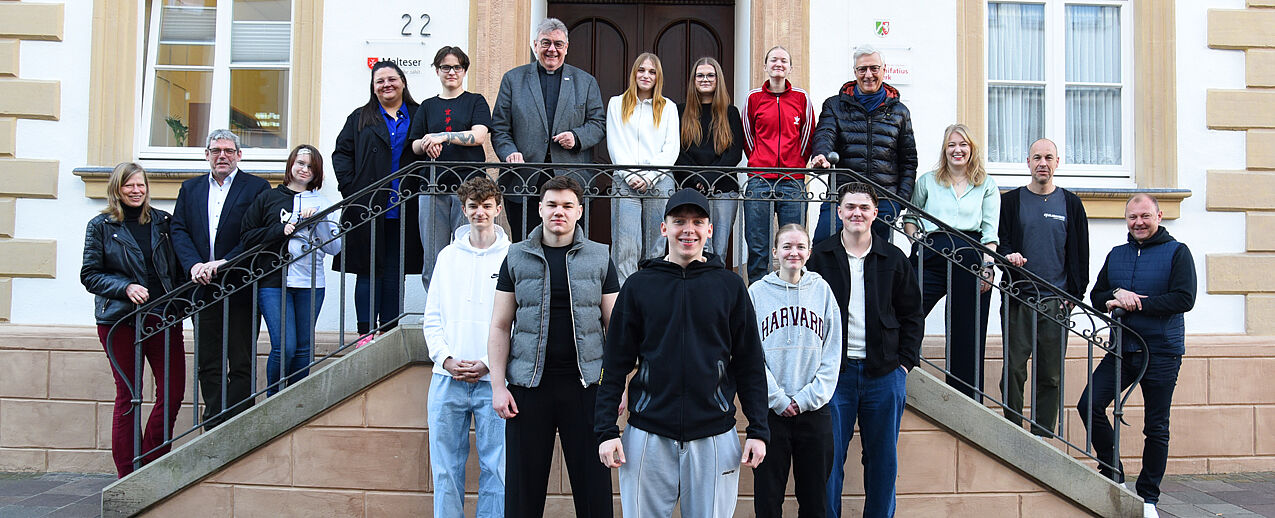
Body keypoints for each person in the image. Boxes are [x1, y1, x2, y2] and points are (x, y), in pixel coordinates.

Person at [596, 188, 769, 518]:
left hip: (714, 435)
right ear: (664, 228)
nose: (688, 230)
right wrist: (606, 431)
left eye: (697, 222)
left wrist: (758, 431)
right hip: (647, 433)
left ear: (710, 229)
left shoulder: (730, 287)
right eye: (679, 221)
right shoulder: (638, 285)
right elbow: (614, 362)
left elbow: (749, 364)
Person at [487, 175, 618, 518]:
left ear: (579, 211)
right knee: (522, 496)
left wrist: (620, 388)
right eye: (553, 205)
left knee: (594, 494)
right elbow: (500, 326)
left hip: (587, 389)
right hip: (528, 390)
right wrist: (498, 387)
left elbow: (616, 329)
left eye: (567, 205)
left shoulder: (600, 257)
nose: (559, 211)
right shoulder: (515, 257)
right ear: (540, 209)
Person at [807, 183, 924, 518]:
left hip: (884, 375)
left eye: (864, 207)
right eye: (850, 207)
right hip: (835, 376)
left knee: (883, 460)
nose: (856, 213)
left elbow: (912, 314)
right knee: (829, 459)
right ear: (840, 212)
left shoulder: (893, 258)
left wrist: (904, 365)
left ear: (875, 214)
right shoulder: (820, 257)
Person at [1079, 194, 1196, 518]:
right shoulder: (1117, 254)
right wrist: (1116, 294)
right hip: (1121, 349)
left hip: (1161, 350)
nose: (1139, 223)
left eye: (1144, 216)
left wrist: (1138, 302)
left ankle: (1148, 499)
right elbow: (1098, 294)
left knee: (1156, 426)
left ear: (1158, 215)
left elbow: (1184, 298)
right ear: (1126, 220)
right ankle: (1112, 473)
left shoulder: (1178, 252)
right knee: (1088, 404)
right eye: (1132, 217)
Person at [81, 163, 185, 477]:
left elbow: (178, 270)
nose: (136, 191)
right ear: (117, 189)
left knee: (173, 392)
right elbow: (90, 275)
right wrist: (124, 287)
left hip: (162, 318)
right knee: (129, 395)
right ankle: (127, 474)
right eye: (129, 186)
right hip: (119, 321)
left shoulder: (163, 222)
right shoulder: (100, 225)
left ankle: (151, 463)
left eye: (140, 185)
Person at [171, 129, 270, 429]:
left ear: (239, 155)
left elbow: (258, 234)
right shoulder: (190, 189)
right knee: (208, 361)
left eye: (228, 150)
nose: (222, 156)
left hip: (239, 284)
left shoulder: (256, 188)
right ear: (207, 155)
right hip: (202, 287)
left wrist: (226, 262)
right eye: (216, 151)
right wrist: (194, 265)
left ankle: (238, 424)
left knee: (241, 360)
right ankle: (213, 423)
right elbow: (179, 230)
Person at [423, 176, 510, 518]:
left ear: (498, 209)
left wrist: (489, 361)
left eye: (487, 206)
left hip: (494, 381)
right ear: (463, 210)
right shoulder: (447, 257)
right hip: (447, 379)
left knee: (497, 470)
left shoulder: (512, 257)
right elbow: (432, 317)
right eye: (473, 206)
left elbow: (516, 321)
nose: (480, 213)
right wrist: (445, 359)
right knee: (445, 469)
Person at [748, 223, 841, 518]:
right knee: (767, 500)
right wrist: (777, 398)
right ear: (774, 251)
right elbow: (750, 355)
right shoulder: (757, 294)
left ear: (809, 252)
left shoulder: (822, 291)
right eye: (786, 246)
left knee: (815, 501)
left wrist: (805, 399)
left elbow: (833, 351)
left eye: (800, 247)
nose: (793, 253)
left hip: (814, 412)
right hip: (770, 415)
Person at [997, 138, 1089, 435]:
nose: (1043, 163)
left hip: (1056, 301)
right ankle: (1013, 430)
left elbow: (1080, 255)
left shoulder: (1071, 204)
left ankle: (1042, 436)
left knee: (1050, 374)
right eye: (1037, 157)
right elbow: (1001, 244)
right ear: (1028, 162)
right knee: (1013, 370)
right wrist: (1007, 258)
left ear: (1057, 163)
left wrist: (1074, 297)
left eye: (1049, 157)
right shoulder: (1011, 202)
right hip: (1019, 297)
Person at [902, 123, 999, 400]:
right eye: (952, 145)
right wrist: (917, 243)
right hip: (932, 251)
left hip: (970, 256)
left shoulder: (987, 185)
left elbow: (990, 231)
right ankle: (908, 376)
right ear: (945, 150)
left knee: (967, 328)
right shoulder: (928, 181)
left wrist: (988, 267)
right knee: (909, 312)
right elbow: (910, 217)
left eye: (963, 145)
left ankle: (965, 396)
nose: (957, 150)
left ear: (972, 149)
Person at [333, 60, 424, 345]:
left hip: (407, 205)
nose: (386, 85)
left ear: (403, 82)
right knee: (367, 269)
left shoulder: (419, 114)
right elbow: (341, 154)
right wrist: (352, 189)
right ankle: (364, 333)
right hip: (368, 207)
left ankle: (389, 330)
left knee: (396, 272)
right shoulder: (360, 117)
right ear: (373, 87)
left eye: (391, 79)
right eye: (379, 81)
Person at [491, 17, 606, 242]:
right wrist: (509, 152)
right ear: (535, 45)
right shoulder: (513, 79)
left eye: (558, 44)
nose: (551, 49)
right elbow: (500, 128)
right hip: (524, 178)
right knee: (525, 245)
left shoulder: (586, 82)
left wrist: (577, 137)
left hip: (571, 179)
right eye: (545, 43)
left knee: (569, 246)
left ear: (566, 47)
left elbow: (598, 124)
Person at [240, 145, 342, 396]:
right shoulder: (269, 198)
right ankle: (273, 398)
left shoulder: (323, 202)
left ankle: (295, 400)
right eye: (300, 163)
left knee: (304, 348)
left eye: (310, 166)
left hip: (310, 282)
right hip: (274, 281)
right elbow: (247, 235)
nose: (304, 170)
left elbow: (334, 248)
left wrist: (317, 221)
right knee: (284, 346)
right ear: (290, 165)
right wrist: (284, 228)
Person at [809, 45, 917, 244]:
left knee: (875, 259)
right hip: (841, 195)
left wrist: (899, 201)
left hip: (883, 200)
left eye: (874, 68)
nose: (868, 75)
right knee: (823, 246)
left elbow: (908, 160)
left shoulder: (900, 112)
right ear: (855, 72)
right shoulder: (834, 105)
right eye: (862, 69)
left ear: (884, 70)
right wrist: (822, 154)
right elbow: (825, 135)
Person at [410, 46, 493, 293]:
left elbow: (479, 136)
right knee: (432, 255)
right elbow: (414, 145)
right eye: (445, 67)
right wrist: (426, 142)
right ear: (437, 71)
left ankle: (463, 304)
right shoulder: (427, 106)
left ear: (464, 70)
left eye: (457, 67)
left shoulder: (475, 101)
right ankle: (436, 310)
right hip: (433, 186)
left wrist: (442, 137)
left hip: (468, 189)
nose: (451, 72)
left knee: (467, 248)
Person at [742, 45, 815, 284]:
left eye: (784, 60)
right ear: (765, 66)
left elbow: (807, 135)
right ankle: (757, 295)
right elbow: (747, 135)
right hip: (760, 179)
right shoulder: (754, 98)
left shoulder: (801, 98)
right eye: (773, 60)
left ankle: (792, 290)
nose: (778, 64)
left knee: (793, 242)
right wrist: (759, 161)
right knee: (758, 243)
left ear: (790, 68)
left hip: (793, 179)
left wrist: (797, 163)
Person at [606, 52, 680, 283]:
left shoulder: (667, 107)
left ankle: (652, 292)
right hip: (624, 180)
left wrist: (649, 177)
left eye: (652, 71)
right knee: (625, 244)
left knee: (656, 244)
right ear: (634, 73)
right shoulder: (617, 103)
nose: (646, 75)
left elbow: (671, 147)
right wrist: (631, 175)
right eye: (641, 70)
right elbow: (615, 142)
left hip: (659, 180)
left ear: (658, 77)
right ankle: (625, 296)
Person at [676, 56, 745, 261]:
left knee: (719, 249)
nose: (705, 79)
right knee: (692, 248)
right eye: (700, 75)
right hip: (689, 187)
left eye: (710, 75)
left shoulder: (730, 113)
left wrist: (709, 177)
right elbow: (677, 152)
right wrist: (697, 179)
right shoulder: (680, 112)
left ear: (718, 80)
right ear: (693, 80)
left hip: (723, 188)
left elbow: (734, 153)